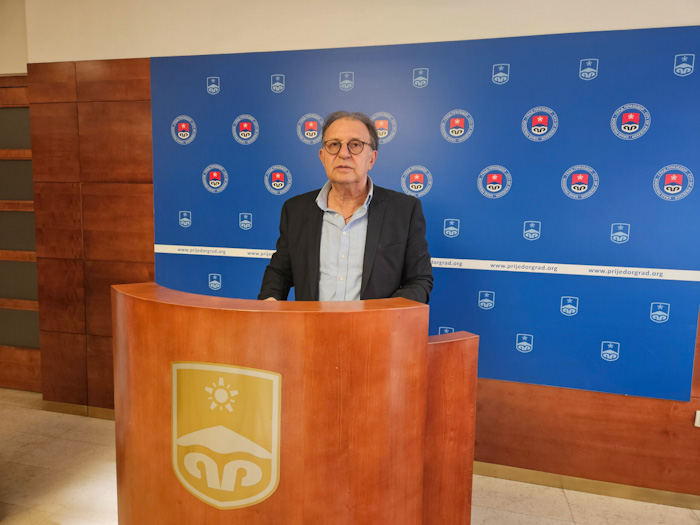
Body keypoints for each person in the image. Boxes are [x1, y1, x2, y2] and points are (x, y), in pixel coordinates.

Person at [258, 111, 433, 303]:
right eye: (334, 145)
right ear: (322, 156)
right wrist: (270, 300)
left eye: (355, 145)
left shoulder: (404, 211)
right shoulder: (295, 210)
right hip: (310, 323)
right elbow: (279, 273)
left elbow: (419, 280)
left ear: (371, 159)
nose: (343, 154)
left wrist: (386, 314)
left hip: (376, 323)